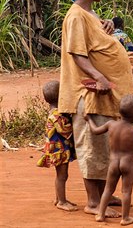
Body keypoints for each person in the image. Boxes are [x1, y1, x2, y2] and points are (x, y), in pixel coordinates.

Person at [58, 0, 133, 219]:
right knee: (91, 147)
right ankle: (93, 201)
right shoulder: (76, 16)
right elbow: (78, 54)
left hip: (104, 96)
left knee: (103, 147)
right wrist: (100, 77)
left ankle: (104, 195)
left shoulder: (87, 14)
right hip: (89, 94)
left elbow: (93, 43)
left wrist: (107, 27)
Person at [84, 94, 133, 226]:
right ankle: (125, 218)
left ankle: (100, 214)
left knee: (108, 189)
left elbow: (96, 130)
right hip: (128, 163)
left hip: (113, 163)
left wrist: (89, 119)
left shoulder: (111, 124)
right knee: (126, 191)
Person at [37, 80, 78, 212]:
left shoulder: (54, 112)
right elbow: (65, 130)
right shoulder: (56, 115)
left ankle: (58, 198)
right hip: (58, 149)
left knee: (60, 175)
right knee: (62, 175)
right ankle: (61, 201)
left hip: (58, 148)